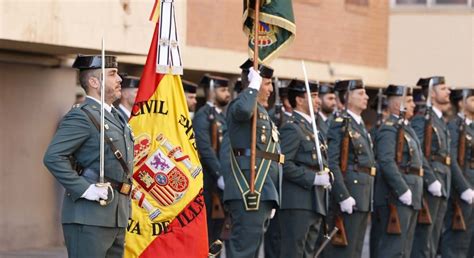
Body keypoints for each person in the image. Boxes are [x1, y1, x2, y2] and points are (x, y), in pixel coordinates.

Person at [43, 55, 134, 258]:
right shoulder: (82, 116)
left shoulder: (116, 117)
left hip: (115, 215)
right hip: (89, 216)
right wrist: (85, 189)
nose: (119, 79)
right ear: (94, 82)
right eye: (112, 74)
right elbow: (53, 156)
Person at [223, 59, 283, 258]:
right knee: (243, 252)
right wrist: (253, 86)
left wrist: (272, 194)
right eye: (267, 83)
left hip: (262, 192)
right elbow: (242, 111)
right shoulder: (240, 105)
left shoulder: (262, 111)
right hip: (249, 190)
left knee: (251, 251)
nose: (271, 90)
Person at [278, 79, 331, 258]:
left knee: (308, 254)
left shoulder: (313, 129)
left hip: (315, 202)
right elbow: (283, 164)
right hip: (297, 203)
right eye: (313, 96)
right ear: (299, 100)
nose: (318, 101)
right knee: (293, 253)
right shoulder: (292, 128)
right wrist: (313, 178)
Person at [324, 79, 376, 258]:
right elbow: (332, 163)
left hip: (362, 196)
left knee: (355, 251)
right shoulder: (340, 123)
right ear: (347, 97)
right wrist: (342, 195)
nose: (366, 97)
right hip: (349, 194)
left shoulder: (359, 125)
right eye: (360, 93)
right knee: (343, 252)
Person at [371, 85, 424, 258]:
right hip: (396, 196)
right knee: (393, 250)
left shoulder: (406, 128)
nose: (413, 105)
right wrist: (402, 190)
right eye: (408, 101)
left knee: (404, 250)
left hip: (411, 194)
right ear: (396, 106)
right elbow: (386, 161)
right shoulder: (389, 128)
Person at [410, 76, 451, 258]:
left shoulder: (439, 120)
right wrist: (431, 179)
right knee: (423, 240)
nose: (448, 91)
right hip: (430, 184)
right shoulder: (422, 120)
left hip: (443, 181)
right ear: (432, 94)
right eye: (443, 88)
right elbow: (418, 154)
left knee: (434, 238)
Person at [193, 74, 231, 252]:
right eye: (223, 90)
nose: (227, 93)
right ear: (211, 91)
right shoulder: (203, 115)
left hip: (221, 184)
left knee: (218, 233)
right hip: (209, 182)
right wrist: (219, 173)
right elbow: (205, 149)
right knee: (208, 231)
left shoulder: (221, 116)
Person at [439, 88, 474, 258]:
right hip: (463, 190)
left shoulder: (472, 127)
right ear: (461, 103)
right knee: (457, 240)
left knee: (470, 242)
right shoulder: (453, 126)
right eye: (473, 100)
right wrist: (463, 188)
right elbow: (451, 160)